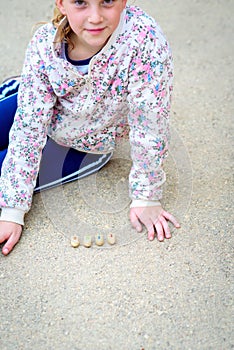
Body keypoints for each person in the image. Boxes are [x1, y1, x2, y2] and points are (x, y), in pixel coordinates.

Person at [0, 0, 180, 256]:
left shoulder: (144, 40)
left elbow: (150, 122)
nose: (95, 17)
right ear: (62, 3)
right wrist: (13, 209)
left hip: (85, 145)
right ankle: (15, 87)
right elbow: (28, 126)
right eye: (81, 3)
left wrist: (146, 196)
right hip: (35, 104)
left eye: (107, 1)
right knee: (17, 121)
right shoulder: (44, 44)